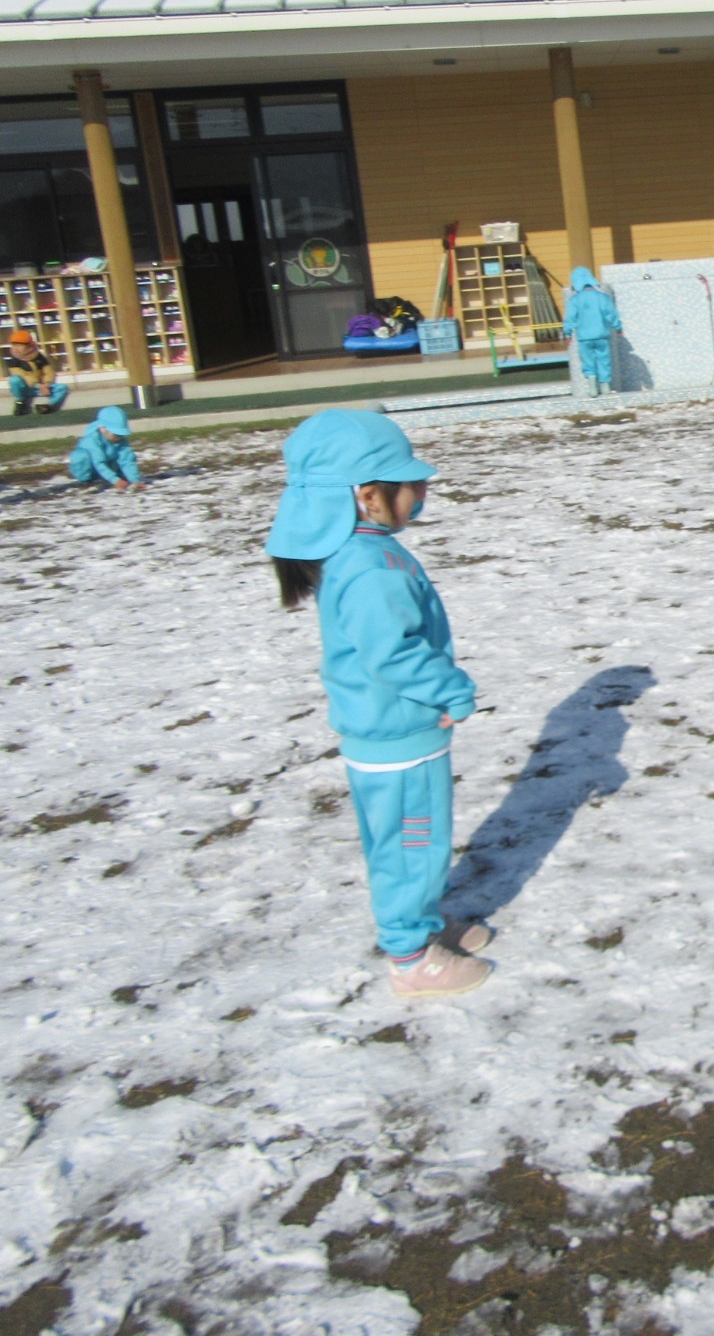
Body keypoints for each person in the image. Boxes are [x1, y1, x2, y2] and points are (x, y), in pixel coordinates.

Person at [265, 409, 493, 999]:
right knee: (412, 848)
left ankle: (422, 922)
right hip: (399, 739)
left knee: (407, 844)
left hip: (388, 733)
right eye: (411, 484)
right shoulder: (370, 567)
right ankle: (411, 957)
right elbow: (393, 654)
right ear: (368, 497)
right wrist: (452, 689)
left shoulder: (356, 552)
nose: (423, 493)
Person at [561, 266, 623, 396]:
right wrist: (618, 327)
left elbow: (570, 318)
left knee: (588, 361)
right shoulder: (602, 297)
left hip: (584, 338)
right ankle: (605, 387)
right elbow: (611, 314)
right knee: (604, 359)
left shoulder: (575, 300)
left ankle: (592, 387)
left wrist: (568, 333)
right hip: (601, 335)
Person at [69, 406, 146, 491]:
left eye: (121, 434)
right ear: (102, 429)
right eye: (116, 434)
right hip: (92, 468)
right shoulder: (91, 440)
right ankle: (86, 481)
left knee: (125, 459)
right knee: (80, 456)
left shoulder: (120, 439)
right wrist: (115, 480)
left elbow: (127, 460)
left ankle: (119, 477)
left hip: (109, 467)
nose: (119, 437)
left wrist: (135, 480)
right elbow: (98, 463)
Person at [2, 330, 68, 415]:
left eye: (19, 345)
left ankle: (49, 406)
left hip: (40, 387)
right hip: (25, 388)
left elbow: (49, 372)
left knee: (62, 388)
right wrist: (39, 385)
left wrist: (47, 383)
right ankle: (20, 402)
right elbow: (23, 375)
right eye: (14, 345)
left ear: (28, 345)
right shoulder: (13, 361)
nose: (15, 348)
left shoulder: (39, 357)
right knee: (14, 380)